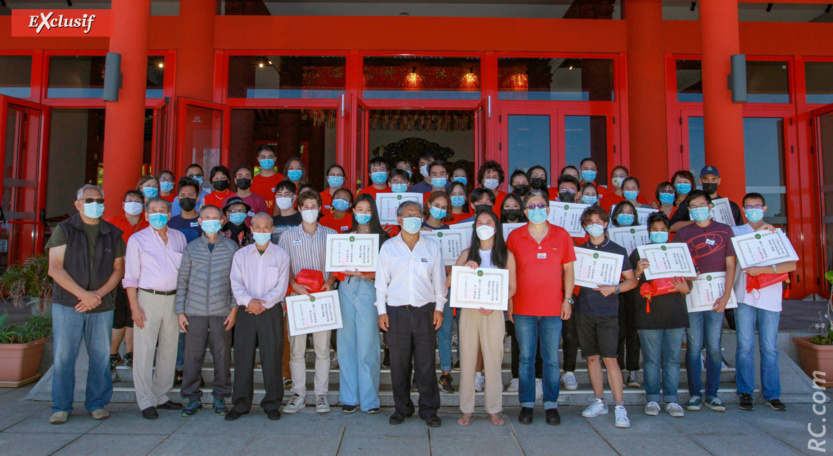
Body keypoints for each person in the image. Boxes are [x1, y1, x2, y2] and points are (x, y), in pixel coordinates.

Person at [46, 184, 126, 425]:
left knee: (101, 356)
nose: (95, 204)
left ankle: (97, 403)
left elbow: (118, 269)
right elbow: (55, 268)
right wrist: (84, 295)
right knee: (63, 356)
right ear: (78, 204)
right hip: (69, 303)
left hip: (101, 305)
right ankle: (61, 406)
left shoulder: (112, 232)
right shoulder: (65, 229)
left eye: (99, 200)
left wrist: (97, 295)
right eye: (89, 200)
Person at [506, 189, 575, 426]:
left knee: (551, 360)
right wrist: (510, 303)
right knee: (525, 358)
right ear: (525, 211)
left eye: (541, 205)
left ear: (548, 208)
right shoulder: (515, 236)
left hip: (553, 309)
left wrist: (568, 299)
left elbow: (568, 271)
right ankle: (526, 404)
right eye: (531, 206)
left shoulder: (562, 235)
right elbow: (509, 272)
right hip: (523, 308)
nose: (537, 209)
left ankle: (551, 405)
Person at [376, 201, 447, 427]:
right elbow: (380, 283)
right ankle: (402, 408)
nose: (413, 218)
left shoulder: (431, 247)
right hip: (396, 313)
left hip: (425, 311)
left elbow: (439, 282)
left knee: (426, 363)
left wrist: (439, 308)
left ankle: (428, 409)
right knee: (399, 363)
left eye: (417, 214)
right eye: (408, 215)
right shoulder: (388, 247)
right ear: (399, 220)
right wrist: (381, 312)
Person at [123, 196, 187, 419]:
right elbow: (130, 277)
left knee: (169, 349)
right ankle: (145, 400)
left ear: (169, 215)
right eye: (153, 210)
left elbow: (184, 274)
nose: (158, 214)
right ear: (146, 214)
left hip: (174, 299)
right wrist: (134, 306)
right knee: (145, 349)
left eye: (162, 210)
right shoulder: (137, 240)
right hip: (147, 299)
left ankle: (162, 395)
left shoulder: (179, 238)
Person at [673, 190, 737, 412]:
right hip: (693, 295)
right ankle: (694, 393)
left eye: (702, 205)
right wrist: (685, 279)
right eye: (694, 207)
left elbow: (731, 265)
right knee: (693, 346)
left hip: (717, 295)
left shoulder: (725, 230)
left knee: (714, 346)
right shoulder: (683, 233)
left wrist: (726, 295)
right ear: (689, 211)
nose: (699, 209)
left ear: (710, 207)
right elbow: (676, 264)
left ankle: (713, 394)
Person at [575, 205, 637, 428]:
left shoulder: (618, 250)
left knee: (610, 359)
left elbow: (632, 281)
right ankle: (599, 400)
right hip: (584, 311)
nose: (594, 225)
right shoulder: (579, 251)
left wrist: (615, 288)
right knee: (592, 357)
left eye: (598, 221)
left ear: (605, 223)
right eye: (590, 222)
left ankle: (620, 406)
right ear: (584, 226)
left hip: (608, 312)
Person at [453, 210, 516, 427]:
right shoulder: (468, 253)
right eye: (480, 221)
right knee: (468, 359)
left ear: (496, 227)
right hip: (469, 312)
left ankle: (494, 409)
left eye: (489, 221)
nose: (484, 225)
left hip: (494, 312)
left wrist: (495, 302)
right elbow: (450, 282)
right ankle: (467, 409)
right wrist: (464, 268)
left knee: (493, 360)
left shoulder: (506, 255)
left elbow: (512, 287)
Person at [176, 204, 239, 417]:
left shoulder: (231, 247)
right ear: (200, 222)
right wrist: (180, 311)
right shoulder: (191, 247)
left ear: (222, 221)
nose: (211, 220)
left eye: (215, 217)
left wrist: (233, 309)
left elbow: (235, 282)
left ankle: (220, 396)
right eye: (206, 217)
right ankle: (192, 398)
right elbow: (182, 280)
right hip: (194, 311)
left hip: (221, 311)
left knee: (222, 356)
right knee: (192, 357)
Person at [226, 213, 290, 421]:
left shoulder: (281, 255)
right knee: (243, 357)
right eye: (257, 227)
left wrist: (263, 304)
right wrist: (248, 301)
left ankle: (272, 403)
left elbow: (281, 287)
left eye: (266, 227)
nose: (261, 231)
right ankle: (241, 403)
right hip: (246, 310)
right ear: (251, 229)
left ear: (272, 230)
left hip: (270, 311)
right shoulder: (241, 255)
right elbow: (235, 282)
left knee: (271, 357)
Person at [733, 193, 794, 412]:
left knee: (769, 347)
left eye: (757, 206)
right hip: (744, 296)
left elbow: (791, 266)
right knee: (745, 346)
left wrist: (764, 270)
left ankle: (771, 394)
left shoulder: (776, 233)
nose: (752, 210)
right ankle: (746, 392)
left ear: (765, 208)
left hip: (770, 297)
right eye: (748, 207)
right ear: (743, 210)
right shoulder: (736, 233)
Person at [278, 191, 338, 414]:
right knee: (297, 350)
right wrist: (294, 285)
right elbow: (284, 266)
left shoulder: (331, 234)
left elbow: (335, 266)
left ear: (320, 208)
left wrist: (330, 281)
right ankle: (298, 393)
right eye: (306, 206)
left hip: (322, 296)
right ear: (300, 209)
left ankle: (321, 394)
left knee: (323, 350)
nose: (310, 209)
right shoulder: (287, 236)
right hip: (298, 297)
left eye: (314, 205)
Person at [631, 211, 690, 417]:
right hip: (649, 314)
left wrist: (686, 287)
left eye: (663, 230)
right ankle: (653, 399)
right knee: (651, 359)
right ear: (648, 232)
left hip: (675, 311)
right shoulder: (639, 253)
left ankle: (672, 400)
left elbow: (690, 279)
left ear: (668, 232)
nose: (659, 233)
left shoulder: (679, 251)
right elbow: (630, 285)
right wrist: (638, 273)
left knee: (672, 359)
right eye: (654, 230)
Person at [338, 194, 390, 413]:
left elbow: (388, 272)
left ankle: (369, 400)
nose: (363, 214)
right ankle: (349, 397)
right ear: (353, 211)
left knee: (368, 346)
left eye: (368, 210)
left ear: (374, 213)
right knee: (346, 345)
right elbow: (335, 267)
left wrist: (368, 275)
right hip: (346, 288)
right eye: (359, 209)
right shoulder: (344, 236)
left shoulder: (383, 238)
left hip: (370, 290)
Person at [106, 190, 148, 372]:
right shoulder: (112, 223)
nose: (134, 203)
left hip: (143, 278)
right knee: (118, 315)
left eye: (137, 200)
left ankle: (130, 353)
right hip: (117, 276)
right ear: (123, 205)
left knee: (135, 315)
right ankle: (113, 353)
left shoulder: (148, 224)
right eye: (130, 200)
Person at [609, 200, 642, 388]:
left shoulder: (642, 237)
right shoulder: (608, 237)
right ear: (614, 216)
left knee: (633, 330)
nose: (626, 215)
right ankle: (619, 370)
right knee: (618, 331)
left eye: (630, 212)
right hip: (616, 288)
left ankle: (633, 371)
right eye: (622, 212)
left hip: (636, 288)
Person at [670, 166, 744, 232]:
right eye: (706, 179)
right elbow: (672, 227)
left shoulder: (732, 206)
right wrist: (697, 221)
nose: (710, 182)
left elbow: (740, 230)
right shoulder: (689, 203)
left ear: (719, 181)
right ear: (700, 181)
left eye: (713, 179)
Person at [250, 145, 285, 214]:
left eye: (270, 157)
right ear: (258, 159)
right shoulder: (252, 181)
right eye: (263, 157)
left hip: (279, 221)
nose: (267, 160)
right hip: (260, 222)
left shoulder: (283, 179)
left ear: (275, 159)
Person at [168, 177, 203, 243]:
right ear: (178, 200)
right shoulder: (170, 223)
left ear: (197, 199)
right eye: (183, 195)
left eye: (191, 195)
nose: (186, 198)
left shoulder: (205, 222)